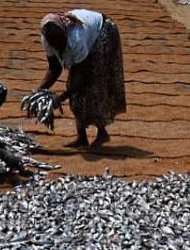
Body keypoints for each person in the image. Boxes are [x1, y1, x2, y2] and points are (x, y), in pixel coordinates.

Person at [37, 9, 126, 149]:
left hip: (103, 32)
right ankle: (82, 137)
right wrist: (40, 91)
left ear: (65, 35)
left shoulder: (76, 38)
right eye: (57, 46)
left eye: (62, 44)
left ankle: (102, 132)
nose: (60, 48)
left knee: (95, 85)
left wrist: (62, 97)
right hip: (86, 40)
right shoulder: (47, 39)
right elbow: (54, 68)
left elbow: (84, 75)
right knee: (74, 89)